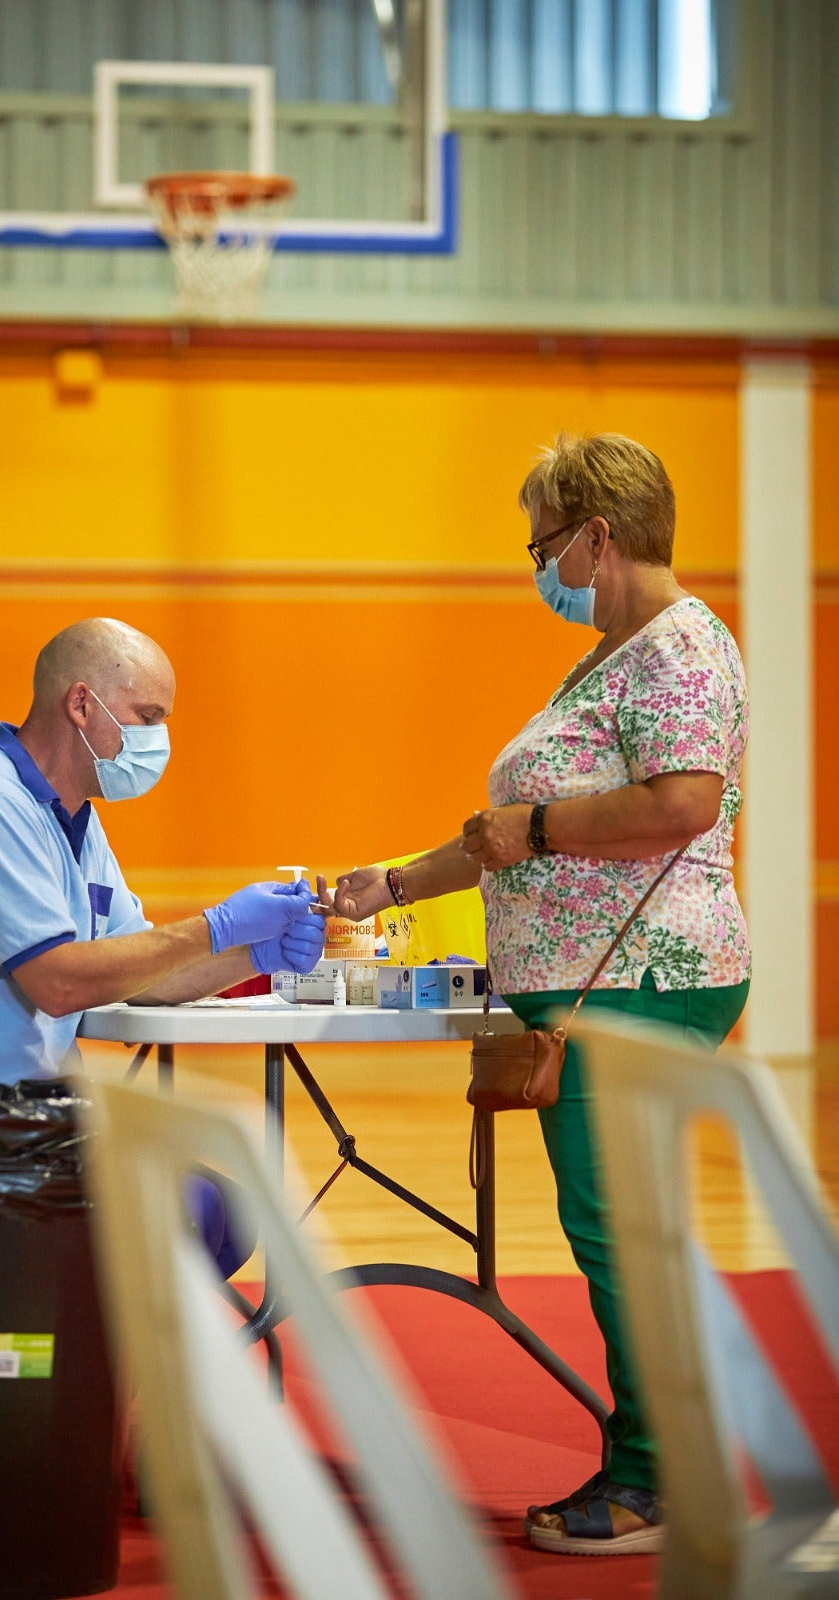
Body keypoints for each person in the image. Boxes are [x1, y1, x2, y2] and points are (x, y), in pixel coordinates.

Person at [332, 432, 751, 1556]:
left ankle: (656, 1481)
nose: (537, 568)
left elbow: (684, 804)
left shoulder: (678, 647)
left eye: (540, 544)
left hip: (642, 977)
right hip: (593, 984)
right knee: (618, 1226)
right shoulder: (609, 659)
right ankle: (665, 1457)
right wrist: (395, 881)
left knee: (618, 1231)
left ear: (597, 536)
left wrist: (542, 826)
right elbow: (507, 839)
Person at [0, 616, 326, 1274]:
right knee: (207, 1212)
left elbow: (137, 969)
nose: (159, 739)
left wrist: (256, 955)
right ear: (81, 703)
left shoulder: (73, 818)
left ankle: (85, 1370)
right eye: (148, 715)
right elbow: (61, 985)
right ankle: (71, 1368)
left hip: (21, 1117)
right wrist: (216, 927)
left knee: (223, 1211)